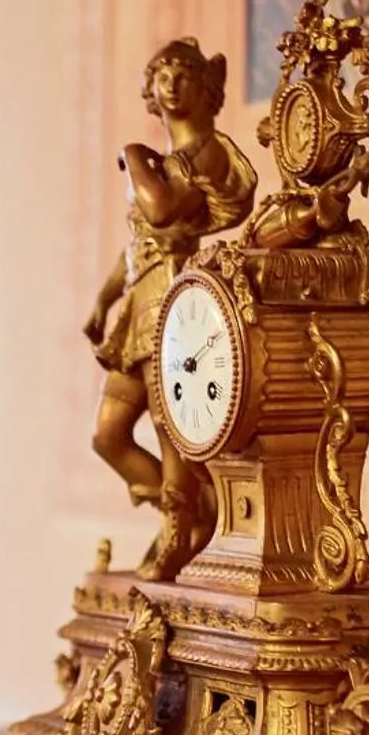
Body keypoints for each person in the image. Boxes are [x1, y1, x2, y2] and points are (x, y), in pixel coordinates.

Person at [80, 39, 256, 576]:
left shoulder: (207, 153)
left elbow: (158, 212)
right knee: (108, 435)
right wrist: (102, 301)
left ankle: (179, 531)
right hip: (140, 300)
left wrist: (133, 156)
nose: (171, 85)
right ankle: (197, 509)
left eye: (183, 75)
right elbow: (138, 246)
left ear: (207, 90)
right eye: (162, 76)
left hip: (177, 301)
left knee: (169, 425)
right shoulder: (158, 163)